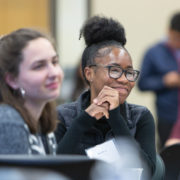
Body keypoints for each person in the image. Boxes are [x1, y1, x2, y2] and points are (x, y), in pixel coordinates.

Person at [55, 16, 156, 176]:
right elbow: (52, 167)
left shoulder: (140, 117)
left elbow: (147, 172)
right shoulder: (63, 115)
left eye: (129, 73)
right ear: (89, 73)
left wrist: (116, 118)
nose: (124, 80)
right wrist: (84, 120)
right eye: (114, 70)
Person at [0, 28, 64, 154]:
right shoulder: (8, 121)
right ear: (12, 80)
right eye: (39, 66)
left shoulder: (43, 118)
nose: (54, 73)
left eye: (54, 62)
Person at [138, 12, 180, 149]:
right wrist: (164, 81)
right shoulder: (154, 52)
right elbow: (142, 83)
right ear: (169, 31)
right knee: (170, 158)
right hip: (167, 117)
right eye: (177, 38)